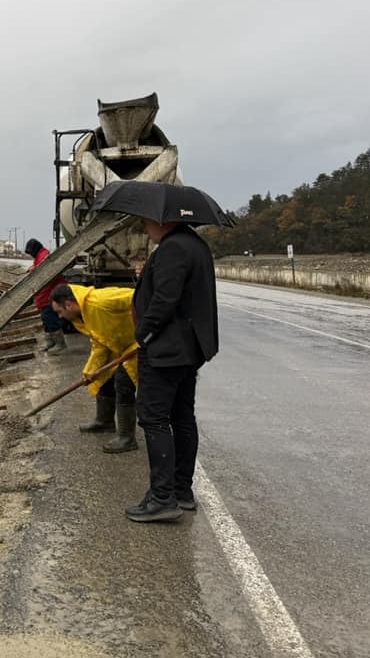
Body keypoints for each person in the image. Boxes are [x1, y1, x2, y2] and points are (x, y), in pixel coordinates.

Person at [126, 220, 218, 523]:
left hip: (167, 350)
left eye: (147, 222)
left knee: (154, 418)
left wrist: (144, 335)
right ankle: (181, 491)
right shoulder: (195, 245)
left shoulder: (173, 248)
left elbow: (165, 300)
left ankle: (163, 497)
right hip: (188, 349)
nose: (144, 227)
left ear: (163, 220)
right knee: (181, 417)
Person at [50, 284, 139, 453]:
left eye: (59, 312)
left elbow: (141, 297)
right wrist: (90, 372)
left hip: (138, 345)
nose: (60, 317)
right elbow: (99, 345)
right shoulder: (83, 316)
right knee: (103, 377)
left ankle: (127, 438)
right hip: (119, 347)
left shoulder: (102, 301)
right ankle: (105, 422)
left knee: (123, 383)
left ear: (69, 304)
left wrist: (152, 327)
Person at [24, 238, 68, 355]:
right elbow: (38, 266)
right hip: (45, 295)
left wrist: (35, 269)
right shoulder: (40, 256)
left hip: (51, 294)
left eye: (30, 252)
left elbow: (45, 270)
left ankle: (59, 343)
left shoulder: (44, 255)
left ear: (34, 249)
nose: (31, 255)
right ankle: (51, 342)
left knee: (50, 317)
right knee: (45, 318)